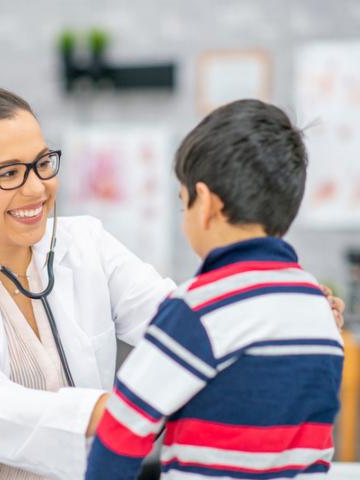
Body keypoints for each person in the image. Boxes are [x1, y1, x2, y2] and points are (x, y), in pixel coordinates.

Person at [0, 88, 343, 480]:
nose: (36, 188)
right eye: (9, 173)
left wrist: (275, 311)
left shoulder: (86, 244)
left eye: (43, 163)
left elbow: (174, 316)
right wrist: (126, 408)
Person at [86, 99, 345, 480]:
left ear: (204, 203)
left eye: (183, 203)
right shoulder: (320, 310)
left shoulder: (195, 308)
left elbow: (123, 428)